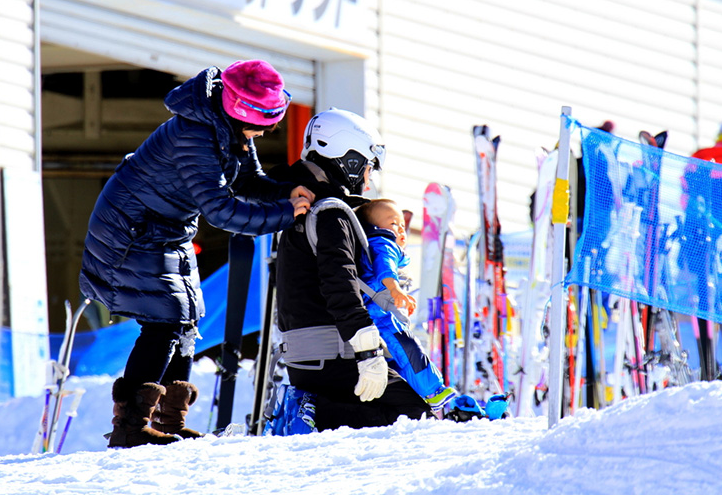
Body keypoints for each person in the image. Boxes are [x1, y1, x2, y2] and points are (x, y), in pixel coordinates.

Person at [79, 60, 315, 447]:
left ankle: (170, 422)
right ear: (242, 110)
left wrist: (284, 193)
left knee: (187, 319)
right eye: (265, 120)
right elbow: (222, 210)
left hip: (166, 229)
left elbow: (248, 181)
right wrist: (285, 215)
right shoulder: (195, 135)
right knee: (164, 320)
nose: (268, 129)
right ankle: (131, 427)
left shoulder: (228, 128)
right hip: (130, 229)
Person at [274, 108, 434, 431]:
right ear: (347, 161)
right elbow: (340, 284)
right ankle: (315, 415)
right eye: (366, 167)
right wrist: (368, 351)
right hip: (336, 358)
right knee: (415, 417)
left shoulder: (298, 209)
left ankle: (309, 409)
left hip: (307, 360)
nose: (367, 178)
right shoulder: (332, 214)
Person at [355, 198, 457, 412]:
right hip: (380, 317)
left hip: (382, 314)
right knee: (408, 348)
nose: (400, 229)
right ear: (373, 228)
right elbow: (385, 267)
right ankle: (432, 391)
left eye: (402, 224)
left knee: (398, 357)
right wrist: (395, 289)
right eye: (393, 224)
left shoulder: (382, 245)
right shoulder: (382, 243)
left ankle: (413, 393)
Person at [680, 121, 722, 381]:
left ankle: (709, 364)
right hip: (716, 240)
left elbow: (685, 196)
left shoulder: (699, 156)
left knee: (704, 301)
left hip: (699, 240)